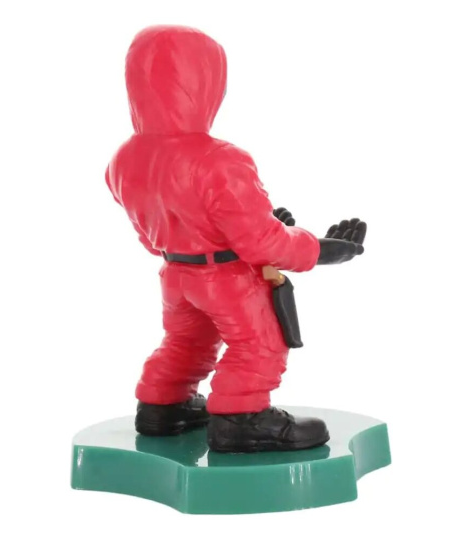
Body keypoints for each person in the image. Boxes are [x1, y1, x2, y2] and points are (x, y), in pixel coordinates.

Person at [106, 25, 366, 453]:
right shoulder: (220, 159)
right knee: (259, 345)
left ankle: (162, 407)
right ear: (204, 84)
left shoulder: (124, 158)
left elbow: (153, 236)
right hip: (227, 279)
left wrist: (259, 223)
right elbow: (261, 244)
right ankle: (242, 419)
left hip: (175, 274)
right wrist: (320, 249)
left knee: (185, 343)